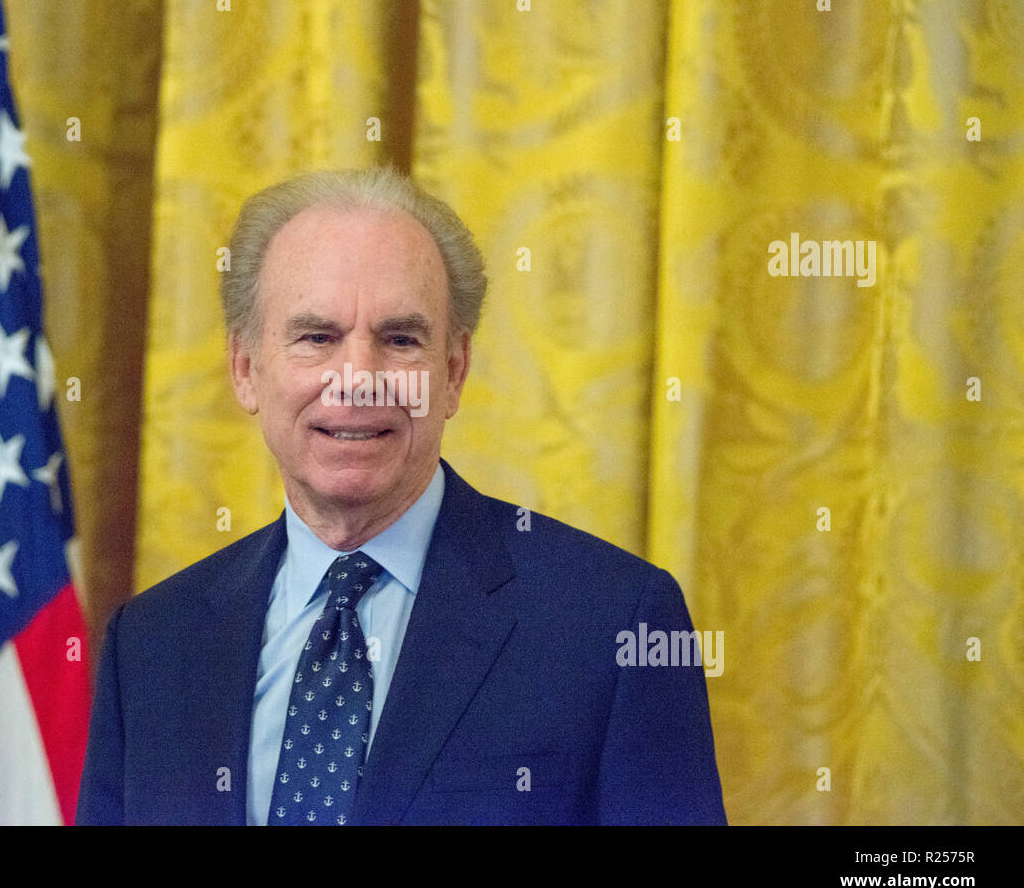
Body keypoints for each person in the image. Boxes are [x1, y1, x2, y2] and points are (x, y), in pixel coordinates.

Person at [76, 166, 726, 824]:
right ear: (246, 369)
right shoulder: (151, 646)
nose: (358, 377)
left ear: (453, 372)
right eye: (317, 337)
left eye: (400, 339)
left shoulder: (611, 624)